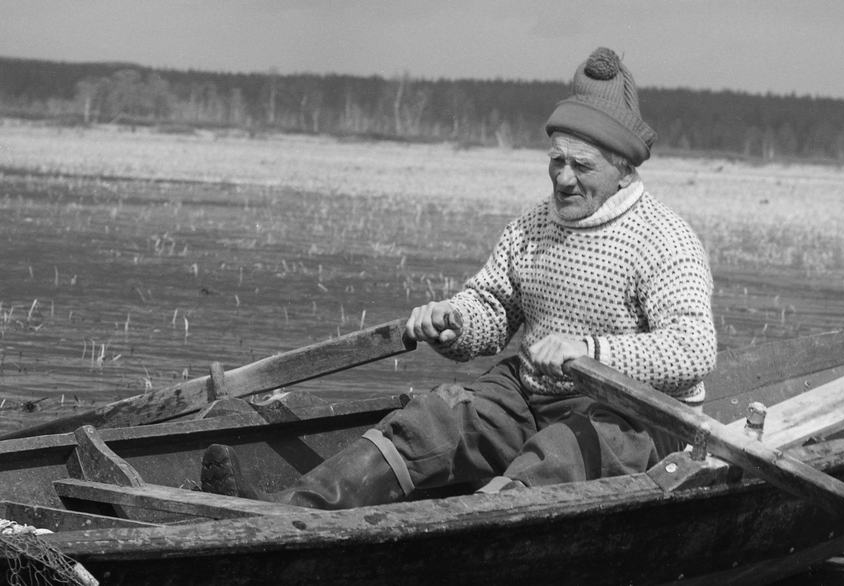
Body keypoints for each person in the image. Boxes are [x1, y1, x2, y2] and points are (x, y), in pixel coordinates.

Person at [200, 47, 716, 508]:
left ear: (624, 168)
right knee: (435, 418)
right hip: (531, 396)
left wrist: (591, 352)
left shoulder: (664, 239)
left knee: (559, 454)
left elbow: (694, 349)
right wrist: (455, 322)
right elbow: (492, 308)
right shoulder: (533, 226)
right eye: (555, 160)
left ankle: (476, 528)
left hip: (633, 418)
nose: (562, 177)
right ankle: (288, 508)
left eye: (581, 165)